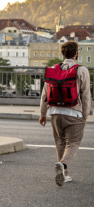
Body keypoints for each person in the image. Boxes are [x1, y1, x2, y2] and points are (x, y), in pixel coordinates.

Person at [39, 41, 92, 186]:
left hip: (55, 112)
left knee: (60, 142)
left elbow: (45, 94)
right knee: (73, 142)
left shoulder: (53, 69)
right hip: (74, 113)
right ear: (76, 53)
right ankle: (63, 165)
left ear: (63, 53)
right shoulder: (81, 70)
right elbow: (86, 95)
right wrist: (85, 115)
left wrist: (43, 114)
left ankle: (64, 174)